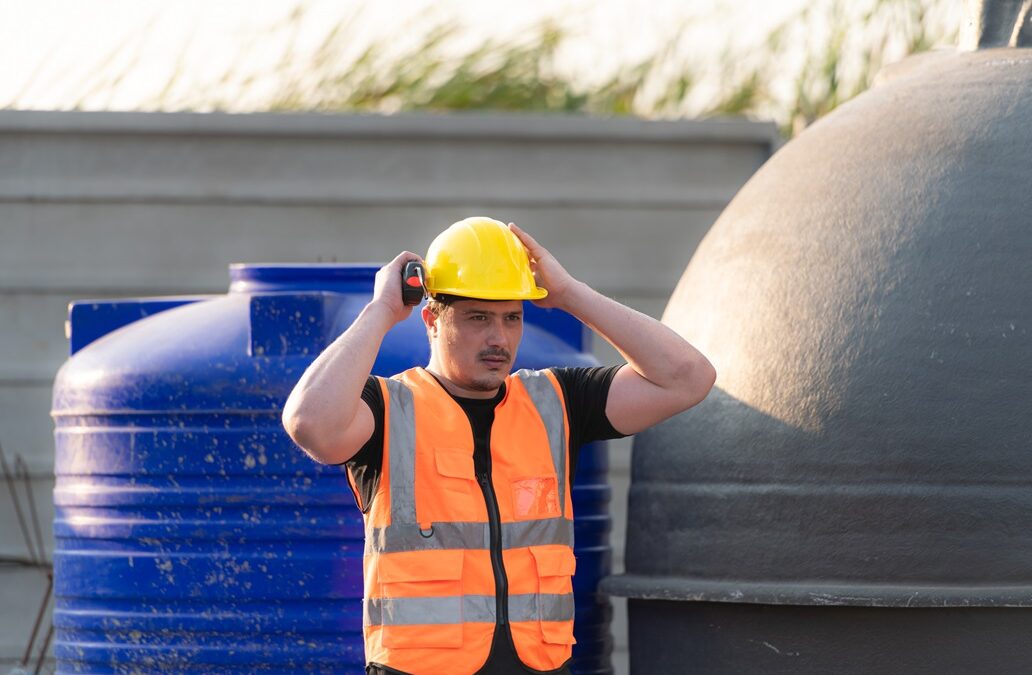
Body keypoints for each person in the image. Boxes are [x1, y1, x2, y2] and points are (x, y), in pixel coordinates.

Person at [282, 217, 716, 675]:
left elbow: (689, 378)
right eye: (478, 318)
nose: (499, 338)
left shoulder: (558, 402)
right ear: (431, 319)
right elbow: (311, 424)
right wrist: (381, 311)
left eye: (512, 318)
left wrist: (570, 294)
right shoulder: (388, 409)